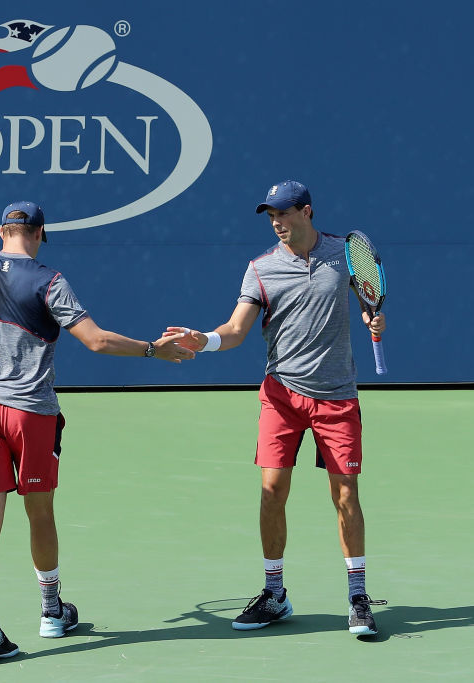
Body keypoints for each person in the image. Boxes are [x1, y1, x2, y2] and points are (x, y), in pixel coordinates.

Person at [0, 201, 194, 658]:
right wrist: (153, 349)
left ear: (1, 232)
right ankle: (52, 612)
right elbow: (97, 341)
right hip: (31, 413)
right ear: (39, 234)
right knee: (40, 512)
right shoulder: (49, 281)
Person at [166, 181, 388, 636]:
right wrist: (204, 341)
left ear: (306, 211)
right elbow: (235, 330)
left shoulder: (344, 254)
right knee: (271, 491)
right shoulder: (261, 268)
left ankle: (358, 596)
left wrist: (373, 316)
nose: (276, 223)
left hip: (336, 395)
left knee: (346, 494)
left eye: (283, 214)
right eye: (271, 216)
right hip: (282, 395)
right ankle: (274, 594)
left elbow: (366, 299)